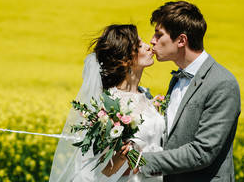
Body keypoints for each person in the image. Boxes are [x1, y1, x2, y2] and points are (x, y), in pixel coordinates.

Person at [139, 1, 241, 182]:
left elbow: (202, 152)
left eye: (158, 34)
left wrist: (138, 162)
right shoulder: (177, 78)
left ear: (181, 40)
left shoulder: (222, 82)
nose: (152, 41)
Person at [49, 24, 165, 182]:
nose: (148, 46)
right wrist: (124, 157)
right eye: (139, 45)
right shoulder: (109, 106)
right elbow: (104, 170)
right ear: (125, 60)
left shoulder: (146, 94)